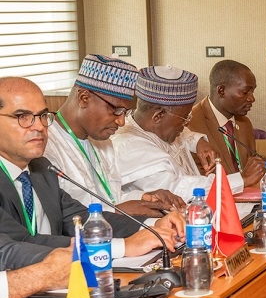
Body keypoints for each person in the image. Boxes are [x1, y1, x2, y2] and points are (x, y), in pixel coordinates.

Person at [0, 77, 183, 258]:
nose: (39, 126)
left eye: (42, 116)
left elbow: (80, 219)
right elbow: (17, 243)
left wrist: (154, 225)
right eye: (22, 116)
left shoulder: (41, 168)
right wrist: (123, 247)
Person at [45, 54, 185, 217]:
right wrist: (118, 211)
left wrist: (145, 197)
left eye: (125, 112)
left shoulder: (103, 143)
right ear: (84, 98)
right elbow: (60, 220)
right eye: (116, 110)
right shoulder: (47, 147)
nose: (121, 122)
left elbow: (111, 198)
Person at [115, 66, 257, 199]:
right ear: (158, 116)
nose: (187, 123)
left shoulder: (157, 128)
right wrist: (241, 179)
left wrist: (198, 142)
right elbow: (178, 188)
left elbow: (185, 134)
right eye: (185, 117)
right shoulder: (129, 146)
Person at [188, 60, 266, 182]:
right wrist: (242, 179)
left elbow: (251, 168)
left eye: (253, 92)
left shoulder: (244, 123)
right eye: (245, 92)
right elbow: (197, 180)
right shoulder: (190, 124)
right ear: (221, 90)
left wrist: (259, 167)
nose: (252, 98)